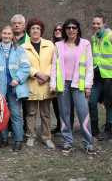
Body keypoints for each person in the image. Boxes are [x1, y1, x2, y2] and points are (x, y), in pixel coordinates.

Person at [50, 19, 95, 154]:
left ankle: (88, 143)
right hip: (62, 84)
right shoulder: (58, 45)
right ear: (65, 30)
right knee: (64, 114)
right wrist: (53, 84)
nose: (71, 30)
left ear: (78, 29)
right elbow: (54, 67)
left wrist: (88, 86)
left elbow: (89, 66)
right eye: (68, 28)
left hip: (78, 84)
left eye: (73, 27)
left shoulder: (85, 44)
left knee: (83, 113)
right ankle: (67, 142)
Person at [0, 25, 30, 151]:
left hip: (15, 88)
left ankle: (18, 140)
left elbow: (26, 67)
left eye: (9, 34)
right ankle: (3, 138)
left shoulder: (19, 50)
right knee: (1, 113)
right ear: (1, 34)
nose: (7, 36)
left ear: (12, 36)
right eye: (4, 33)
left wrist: (18, 79)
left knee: (15, 114)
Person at [89, 15, 112, 140]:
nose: (96, 26)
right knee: (92, 102)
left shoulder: (111, 36)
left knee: (109, 104)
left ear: (104, 24)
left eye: (98, 23)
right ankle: (94, 130)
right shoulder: (93, 38)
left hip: (111, 77)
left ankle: (108, 130)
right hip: (97, 77)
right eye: (94, 23)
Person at [22, 18, 56, 149]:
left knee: (46, 113)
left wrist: (46, 75)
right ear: (29, 31)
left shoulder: (50, 45)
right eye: (32, 28)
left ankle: (47, 137)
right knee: (31, 112)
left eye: (38, 28)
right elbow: (23, 64)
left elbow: (54, 62)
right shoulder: (23, 47)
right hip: (32, 82)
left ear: (41, 31)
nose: (35, 31)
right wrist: (36, 73)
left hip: (46, 83)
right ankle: (30, 136)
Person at [51, 22, 68, 134]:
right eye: (56, 30)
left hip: (66, 79)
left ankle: (67, 126)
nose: (58, 31)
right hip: (53, 78)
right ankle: (59, 125)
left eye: (60, 30)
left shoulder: (68, 44)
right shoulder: (50, 44)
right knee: (56, 104)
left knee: (66, 105)